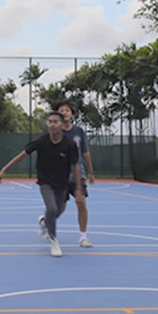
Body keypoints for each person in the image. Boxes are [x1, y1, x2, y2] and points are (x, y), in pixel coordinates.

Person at [0, 112, 81, 257]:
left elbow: (76, 166)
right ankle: (53, 241)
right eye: (50, 122)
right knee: (52, 208)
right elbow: (22, 155)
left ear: (62, 125)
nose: (52, 125)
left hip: (62, 184)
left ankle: (44, 221)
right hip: (45, 182)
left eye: (55, 122)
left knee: (58, 211)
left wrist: (78, 186)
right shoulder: (42, 142)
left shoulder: (69, 144)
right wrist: (5, 169)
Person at [55, 99, 96, 248]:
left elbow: (85, 152)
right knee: (61, 208)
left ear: (71, 114)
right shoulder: (55, 132)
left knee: (81, 201)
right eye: (61, 110)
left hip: (78, 174)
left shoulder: (79, 132)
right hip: (61, 175)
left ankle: (83, 237)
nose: (64, 112)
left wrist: (91, 172)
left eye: (66, 110)